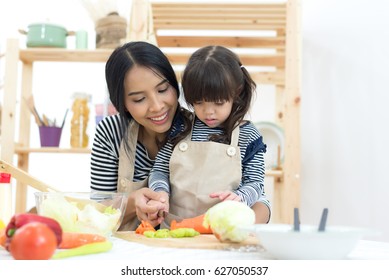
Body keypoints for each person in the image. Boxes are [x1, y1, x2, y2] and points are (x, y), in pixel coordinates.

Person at [149, 45, 271, 224]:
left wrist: (239, 198)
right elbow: (159, 170)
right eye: (199, 103)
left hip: (223, 230)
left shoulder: (248, 135)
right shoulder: (180, 127)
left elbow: (256, 183)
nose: (208, 112)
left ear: (236, 93)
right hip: (175, 229)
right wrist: (160, 192)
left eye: (219, 103)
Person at [90, 41, 191, 230]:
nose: (157, 106)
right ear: (121, 103)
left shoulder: (200, 130)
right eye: (139, 99)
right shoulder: (111, 132)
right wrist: (131, 201)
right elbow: (97, 210)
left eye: (162, 90)